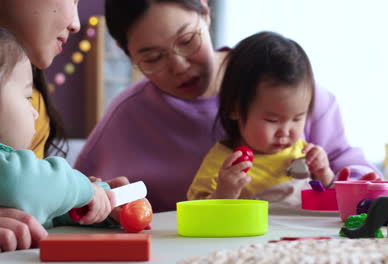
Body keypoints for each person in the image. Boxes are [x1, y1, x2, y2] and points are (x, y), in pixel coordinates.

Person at [75, 0, 380, 213]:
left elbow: (356, 176)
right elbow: (82, 195)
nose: (179, 66)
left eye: (187, 40)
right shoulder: (128, 116)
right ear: (126, 52)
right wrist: (109, 199)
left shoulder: (287, 90)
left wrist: (343, 178)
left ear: (205, 11)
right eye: (153, 58)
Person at [0, 1, 127, 263]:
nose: (34, 113)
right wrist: (82, 188)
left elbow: (21, 207)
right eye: (26, 98)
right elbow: (18, 183)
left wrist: (86, 207)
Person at [187, 31, 334, 207]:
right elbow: (197, 211)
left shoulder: (304, 154)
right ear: (234, 108)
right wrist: (224, 193)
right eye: (272, 120)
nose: (285, 132)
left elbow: (328, 202)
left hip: (305, 234)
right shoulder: (225, 162)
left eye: (297, 118)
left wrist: (325, 174)